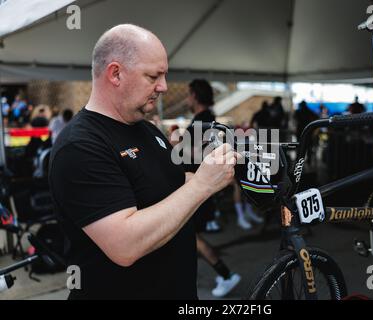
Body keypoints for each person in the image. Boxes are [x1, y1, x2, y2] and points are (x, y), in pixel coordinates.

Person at [49, 24, 238, 300]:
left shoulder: (144, 128)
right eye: (153, 76)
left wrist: (216, 170)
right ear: (115, 73)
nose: (162, 87)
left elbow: (170, 185)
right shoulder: (80, 146)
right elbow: (125, 245)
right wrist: (202, 185)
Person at [183, 79, 241, 297]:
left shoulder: (201, 122)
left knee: (189, 236)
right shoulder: (209, 120)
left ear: (195, 96)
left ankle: (226, 275)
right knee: (187, 237)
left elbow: (191, 154)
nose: (187, 99)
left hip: (197, 186)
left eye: (188, 95)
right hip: (200, 185)